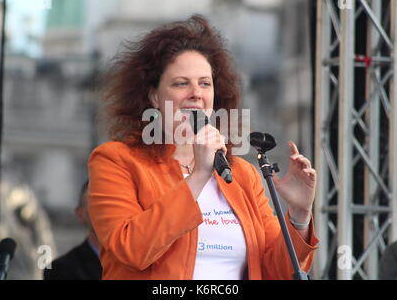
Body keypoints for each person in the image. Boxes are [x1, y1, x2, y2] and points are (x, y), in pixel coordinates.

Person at [87, 14, 319, 280]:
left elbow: (276, 270)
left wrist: (300, 214)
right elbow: (131, 249)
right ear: (154, 96)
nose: (196, 93)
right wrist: (198, 177)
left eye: (205, 83)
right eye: (181, 83)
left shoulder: (242, 174)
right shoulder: (116, 161)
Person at [43, 181, 102, 280]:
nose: (107, 214)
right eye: (97, 206)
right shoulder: (61, 270)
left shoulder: (135, 262)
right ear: (80, 214)